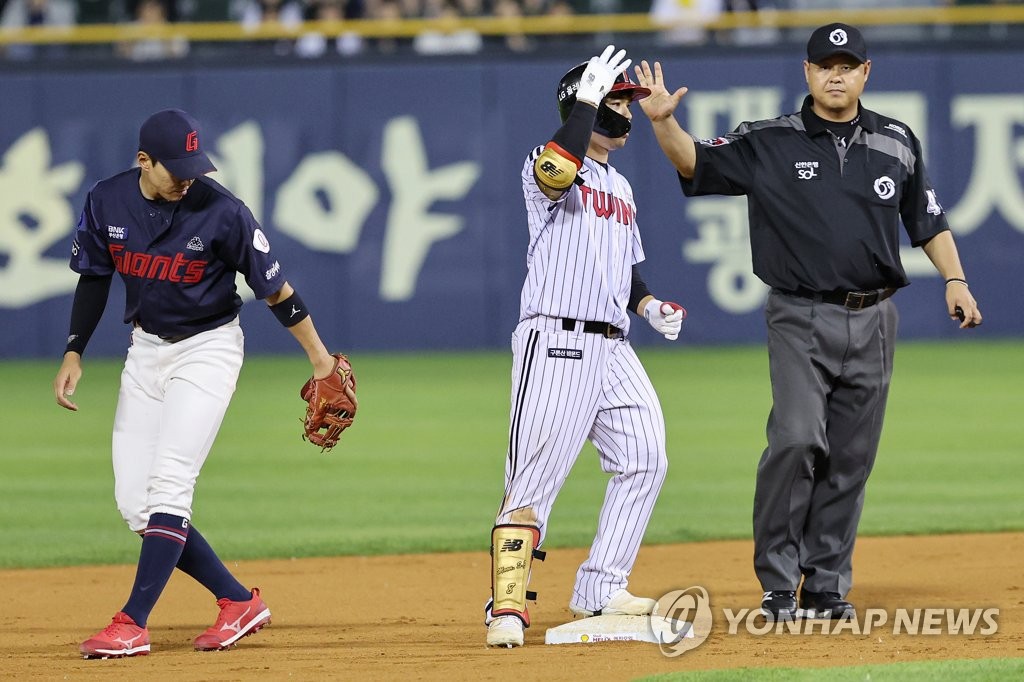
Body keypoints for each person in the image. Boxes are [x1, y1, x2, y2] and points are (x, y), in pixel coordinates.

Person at [634, 23, 982, 621]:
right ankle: (776, 580)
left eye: (848, 64)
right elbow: (697, 163)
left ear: (866, 73)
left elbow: (927, 218)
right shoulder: (770, 139)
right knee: (797, 439)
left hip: (874, 318)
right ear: (807, 72)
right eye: (825, 64)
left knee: (850, 458)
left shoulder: (896, 141)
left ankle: (823, 586)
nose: (836, 74)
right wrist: (665, 122)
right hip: (799, 314)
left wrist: (956, 279)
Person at [53, 108, 344, 658]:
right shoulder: (107, 199)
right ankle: (238, 601)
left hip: (208, 350)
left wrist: (322, 361)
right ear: (144, 161)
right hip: (145, 353)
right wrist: (74, 350)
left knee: (169, 484)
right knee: (136, 504)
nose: (189, 176)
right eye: (176, 167)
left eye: (195, 163)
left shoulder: (223, 212)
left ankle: (132, 622)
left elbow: (277, 292)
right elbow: (94, 277)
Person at [484, 45, 687, 648]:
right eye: (616, 100)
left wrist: (649, 305)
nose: (625, 111)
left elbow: (629, 271)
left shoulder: (621, 185)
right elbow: (557, 173)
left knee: (646, 454)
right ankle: (507, 607)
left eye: (624, 100)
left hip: (613, 346)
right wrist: (584, 103)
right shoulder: (543, 163)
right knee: (532, 479)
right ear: (588, 106)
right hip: (557, 338)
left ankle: (601, 586)